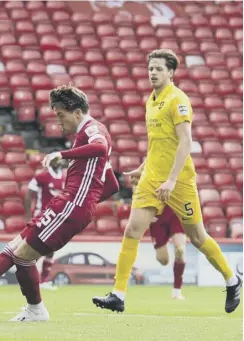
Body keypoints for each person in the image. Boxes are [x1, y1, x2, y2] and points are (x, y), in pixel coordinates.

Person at [0, 85, 119, 322]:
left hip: (69, 205)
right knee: (12, 252)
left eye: (61, 115)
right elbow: (112, 185)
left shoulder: (92, 129)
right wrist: (86, 202)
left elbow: (100, 147)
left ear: (78, 113)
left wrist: (63, 157)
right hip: (68, 205)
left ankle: (36, 310)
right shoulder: (88, 137)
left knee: (22, 256)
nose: (58, 122)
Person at [92, 49, 241, 313]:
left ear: (171, 72)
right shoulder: (151, 99)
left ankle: (232, 279)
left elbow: (186, 142)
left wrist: (172, 180)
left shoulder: (178, 100)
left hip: (180, 181)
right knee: (132, 230)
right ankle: (119, 294)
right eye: (150, 68)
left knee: (197, 237)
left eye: (158, 68)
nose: (153, 73)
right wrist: (144, 166)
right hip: (152, 179)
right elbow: (158, 145)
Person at [24, 160, 66, 290]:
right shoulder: (42, 176)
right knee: (36, 248)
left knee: (52, 248)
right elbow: (29, 194)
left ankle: (43, 281)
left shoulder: (64, 177)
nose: (59, 162)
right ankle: (29, 278)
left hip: (56, 217)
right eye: (56, 159)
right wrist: (28, 216)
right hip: (42, 215)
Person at [149, 206, 187, 300]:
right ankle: (165, 245)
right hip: (158, 217)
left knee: (180, 250)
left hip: (176, 212)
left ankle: (177, 291)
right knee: (163, 260)